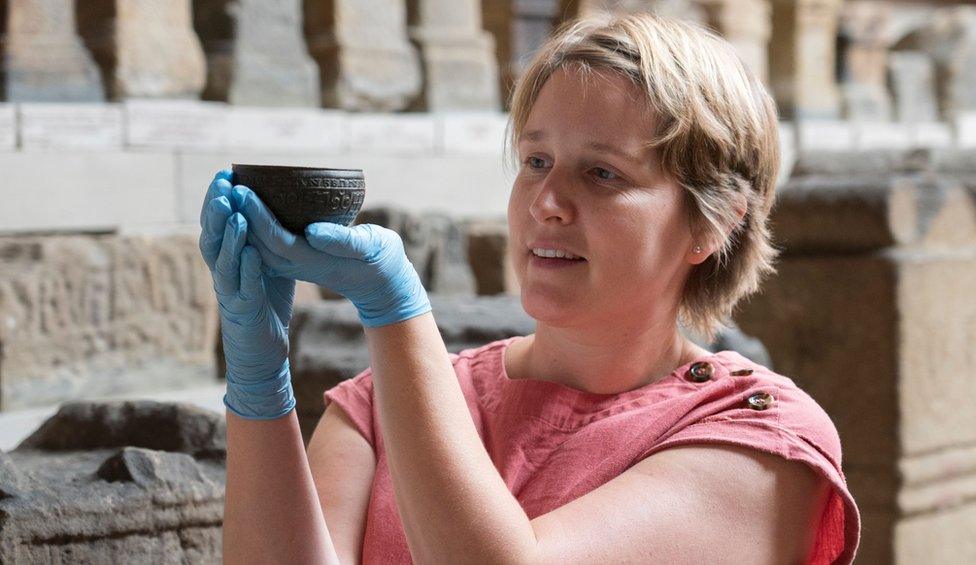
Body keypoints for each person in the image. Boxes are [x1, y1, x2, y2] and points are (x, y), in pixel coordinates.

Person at [199, 12, 860, 565]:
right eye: (536, 160)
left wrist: (396, 313)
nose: (547, 201)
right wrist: (260, 387)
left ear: (714, 222)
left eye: (602, 173)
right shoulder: (379, 405)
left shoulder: (760, 436)